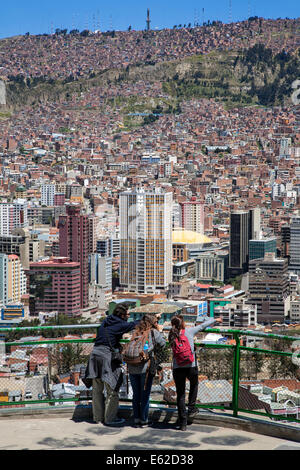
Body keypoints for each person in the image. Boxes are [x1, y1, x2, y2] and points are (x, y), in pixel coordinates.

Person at [84, 303, 140, 426]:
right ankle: (110, 418)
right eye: (127, 314)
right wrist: (146, 318)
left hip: (95, 354)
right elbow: (133, 325)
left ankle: (97, 417)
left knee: (97, 389)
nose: (128, 316)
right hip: (105, 356)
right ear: (121, 315)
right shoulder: (120, 324)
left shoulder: (106, 321)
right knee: (112, 388)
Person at [168, 314, 223, 431]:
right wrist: (216, 320)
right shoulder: (189, 331)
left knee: (180, 394)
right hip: (190, 365)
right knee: (194, 385)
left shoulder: (171, 334)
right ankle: (191, 408)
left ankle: (182, 423)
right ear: (182, 323)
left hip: (178, 367)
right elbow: (203, 325)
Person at [127, 314, 166, 428]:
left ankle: (136, 418)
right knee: (145, 394)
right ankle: (144, 420)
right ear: (153, 323)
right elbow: (163, 344)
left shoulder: (136, 332)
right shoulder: (153, 332)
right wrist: (159, 331)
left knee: (136, 394)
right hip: (145, 367)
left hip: (132, 365)